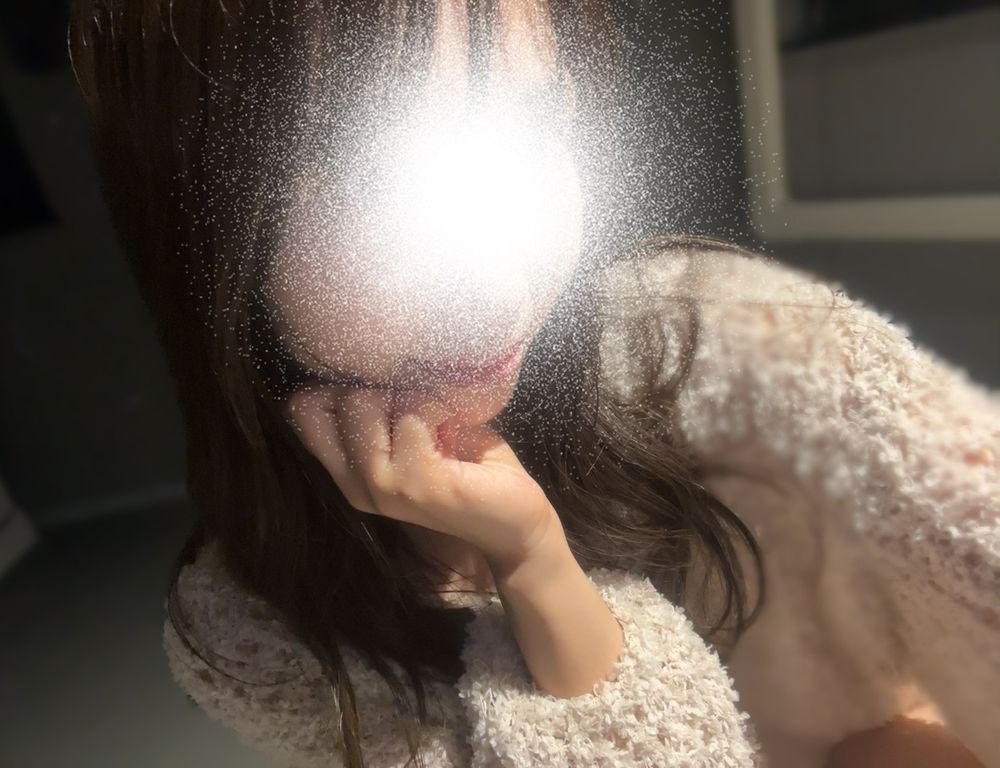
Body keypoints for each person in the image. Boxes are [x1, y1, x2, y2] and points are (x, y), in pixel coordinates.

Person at [69, 1, 998, 767]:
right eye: (364, 182)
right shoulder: (245, 631)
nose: (501, 295)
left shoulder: (736, 338)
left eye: (534, 127)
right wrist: (532, 564)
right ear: (207, 226)